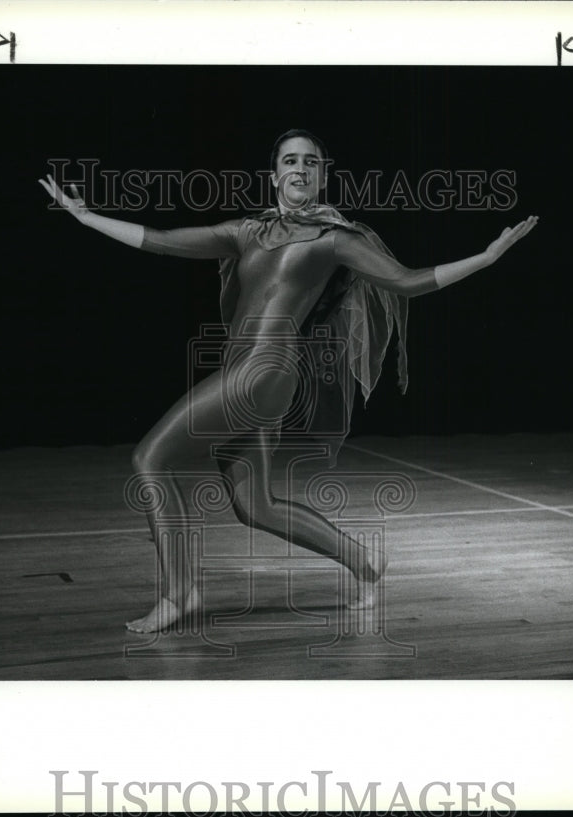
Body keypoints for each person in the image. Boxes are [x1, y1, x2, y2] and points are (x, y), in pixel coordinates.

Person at [39, 129, 537, 633]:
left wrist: (485, 258)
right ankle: (364, 561)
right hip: (243, 372)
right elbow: (163, 242)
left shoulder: (335, 239)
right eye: (290, 160)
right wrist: (86, 217)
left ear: (323, 175)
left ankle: (179, 593)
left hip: (267, 370)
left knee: (150, 458)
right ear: (274, 174)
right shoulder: (246, 233)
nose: (300, 168)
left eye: (311, 162)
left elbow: (405, 280)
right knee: (254, 505)